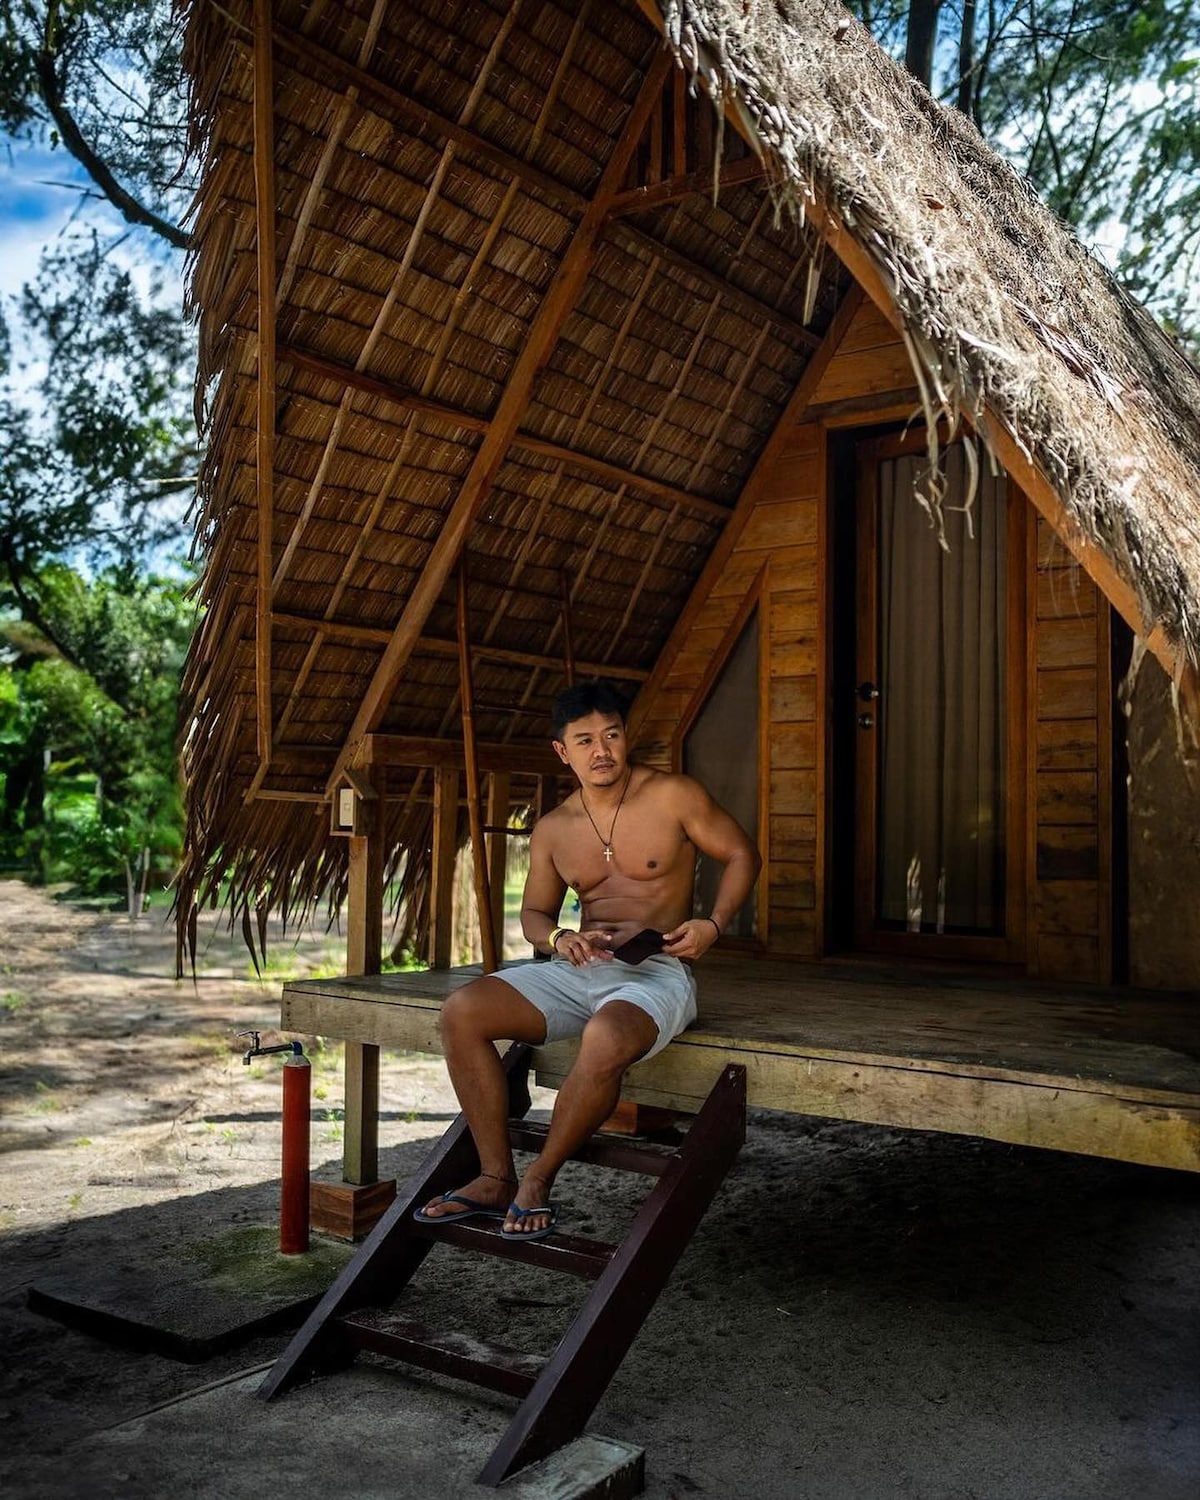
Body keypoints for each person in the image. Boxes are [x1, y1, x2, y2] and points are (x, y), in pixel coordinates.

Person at [415, 679, 761, 1240]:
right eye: (584, 740)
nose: (601, 751)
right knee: (462, 1011)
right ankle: (495, 1176)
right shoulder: (554, 828)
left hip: (657, 973)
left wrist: (713, 925)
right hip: (580, 968)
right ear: (562, 750)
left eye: (611, 735)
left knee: (604, 1035)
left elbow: (742, 852)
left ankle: (538, 1181)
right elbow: (534, 913)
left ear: (626, 739)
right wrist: (559, 939)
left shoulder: (673, 795)